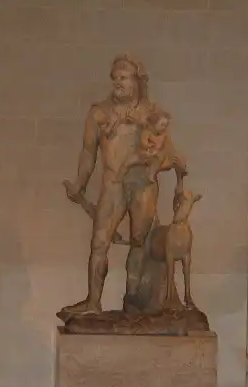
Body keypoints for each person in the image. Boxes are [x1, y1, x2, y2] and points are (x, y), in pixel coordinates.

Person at [62, 55, 186, 315]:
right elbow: (88, 152)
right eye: (115, 78)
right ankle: (93, 302)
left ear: (138, 81)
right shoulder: (100, 113)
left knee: (140, 241)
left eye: (124, 77)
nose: (118, 82)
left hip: (142, 184)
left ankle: (133, 301)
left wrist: (156, 162)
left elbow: (168, 153)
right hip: (113, 184)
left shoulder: (153, 114)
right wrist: (80, 184)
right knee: (99, 242)